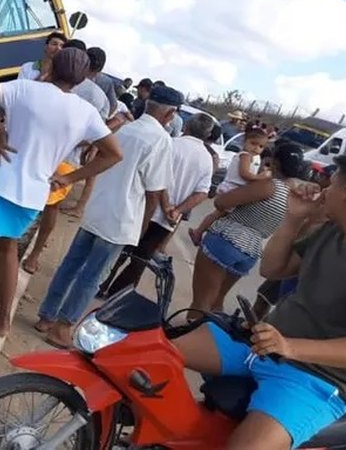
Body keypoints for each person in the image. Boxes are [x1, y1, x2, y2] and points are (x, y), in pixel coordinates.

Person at [0, 48, 123, 337]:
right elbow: (113, 154)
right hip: (36, 190)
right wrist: (69, 178)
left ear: (52, 67)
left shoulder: (24, 89)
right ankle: (3, 321)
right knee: (9, 250)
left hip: (0, 177)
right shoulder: (86, 113)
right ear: (82, 79)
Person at [171, 154, 346, 449]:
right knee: (153, 355)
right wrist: (294, 218)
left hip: (314, 378)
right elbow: (272, 269)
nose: (324, 191)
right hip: (258, 346)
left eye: (332, 185)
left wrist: (289, 346)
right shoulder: (330, 233)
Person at [35, 85, 182, 348]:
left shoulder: (126, 128)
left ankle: (46, 316)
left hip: (98, 209)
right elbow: (154, 191)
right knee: (92, 277)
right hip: (121, 218)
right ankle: (63, 327)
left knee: (71, 264)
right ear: (170, 114)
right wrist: (143, 226)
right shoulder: (160, 140)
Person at [21, 47, 120, 275]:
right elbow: (99, 133)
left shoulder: (49, 82)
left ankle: (8, 252)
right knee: (50, 208)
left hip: (39, 152)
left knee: (25, 202)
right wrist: (79, 145)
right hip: (68, 160)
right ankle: (33, 256)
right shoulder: (99, 97)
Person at [98, 112, 214, 297]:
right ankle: (117, 295)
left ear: (187, 126)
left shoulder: (170, 144)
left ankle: (100, 285)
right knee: (140, 260)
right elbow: (202, 193)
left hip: (144, 209)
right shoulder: (206, 159)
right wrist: (177, 210)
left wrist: (166, 203)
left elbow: (158, 178)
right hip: (167, 220)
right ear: (208, 135)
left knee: (121, 250)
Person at [187, 141, 307, 317]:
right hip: (251, 250)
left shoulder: (269, 186)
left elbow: (221, 202)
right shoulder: (296, 197)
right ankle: (209, 337)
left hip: (227, 238)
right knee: (217, 301)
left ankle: (186, 337)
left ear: (275, 162)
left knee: (202, 300)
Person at [190, 127, 273, 245]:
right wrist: (261, 177)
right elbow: (244, 174)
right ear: (245, 141)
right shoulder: (245, 155)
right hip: (231, 189)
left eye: (261, 146)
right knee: (219, 214)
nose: (256, 148)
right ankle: (199, 232)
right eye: (253, 143)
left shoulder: (254, 158)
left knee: (222, 215)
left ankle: (204, 233)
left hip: (236, 189)